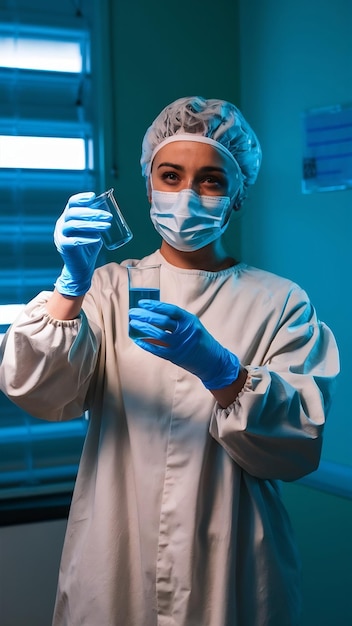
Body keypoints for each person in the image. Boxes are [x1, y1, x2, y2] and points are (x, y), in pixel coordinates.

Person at [0, 96, 339, 626]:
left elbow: (297, 446)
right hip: (113, 554)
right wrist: (70, 286)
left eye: (210, 180)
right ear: (149, 185)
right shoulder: (109, 289)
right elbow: (37, 390)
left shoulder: (280, 302)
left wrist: (224, 372)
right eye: (171, 175)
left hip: (233, 559)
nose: (186, 194)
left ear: (238, 196)